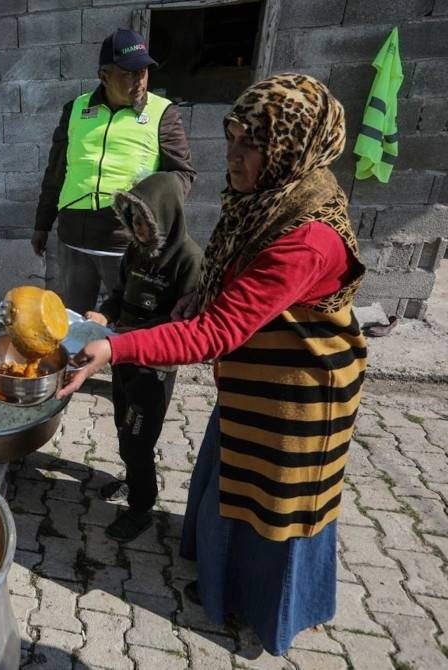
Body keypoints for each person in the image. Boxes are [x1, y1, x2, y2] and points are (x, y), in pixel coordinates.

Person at [58, 73, 367, 655]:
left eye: (251, 145)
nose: (234, 158)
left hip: (299, 394)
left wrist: (117, 347)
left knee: (274, 510)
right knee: (230, 484)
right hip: (252, 380)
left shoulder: (307, 235)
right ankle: (225, 580)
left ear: (290, 148)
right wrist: (183, 301)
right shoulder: (260, 203)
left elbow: (218, 332)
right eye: (231, 140)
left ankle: (267, 610)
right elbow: (220, 291)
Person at [33, 28, 196, 315]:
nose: (139, 80)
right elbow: (56, 171)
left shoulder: (162, 113)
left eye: (143, 72)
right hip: (73, 237)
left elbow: (181, 175)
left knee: (127, 319)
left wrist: (147, 214)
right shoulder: (76, 109)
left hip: (124, 242)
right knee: (71, 319)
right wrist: (42, 224)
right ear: (104, 75)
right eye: (129, 73)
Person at [82, 172, 201, 541]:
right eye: (132, 219)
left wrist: (140, 335)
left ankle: (141, 508)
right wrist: (105, 313)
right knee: (123, 424)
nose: (137, 227)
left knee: (138, 436)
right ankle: (133, 478)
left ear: (165, 216)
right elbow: (118, 293)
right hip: (121, 356)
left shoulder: (189, 260)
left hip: (156, 367)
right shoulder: (134, 250)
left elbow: (187, 324)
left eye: (144, 220)